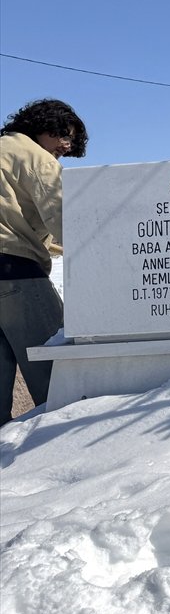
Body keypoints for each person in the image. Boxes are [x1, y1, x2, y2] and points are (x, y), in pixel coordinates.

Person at [0, 98, 88, 425]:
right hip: (17, 276)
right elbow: (67, 221)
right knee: (59, 383)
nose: (66, 145)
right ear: (41, 126)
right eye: (62, 134)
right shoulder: (36, 158)